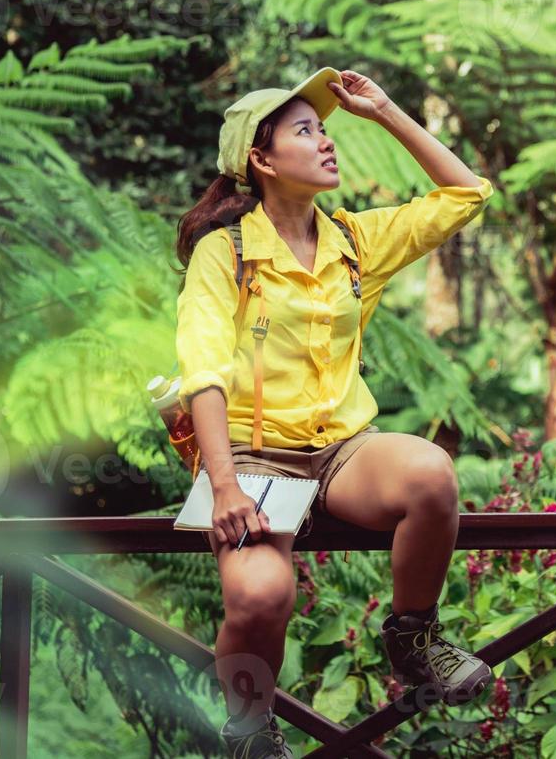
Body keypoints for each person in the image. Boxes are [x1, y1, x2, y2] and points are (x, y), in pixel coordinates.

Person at [173, 66, 494, 759]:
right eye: (305, 131)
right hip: (254, 459)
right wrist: (224, 484)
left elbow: (466, 193)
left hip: (343, 451)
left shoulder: (355, 240)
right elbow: (203, 374)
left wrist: (385, 111)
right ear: (260, 160)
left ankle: (412, 637)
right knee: (260, 598)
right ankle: (249, 729)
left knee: (431, 474)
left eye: (325, 130)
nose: (326, 142)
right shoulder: (222, 255)